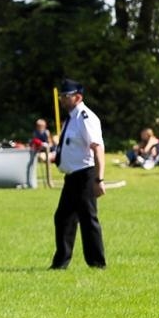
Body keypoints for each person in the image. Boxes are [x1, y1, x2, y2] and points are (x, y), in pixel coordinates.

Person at [51, 79, 106, 270]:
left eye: (66, 96)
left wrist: (99, 179)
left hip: (85, 175)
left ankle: (97, 263)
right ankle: (61, 262)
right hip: (72, 177)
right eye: (61, 96)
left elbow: (97, 149)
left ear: (78, 97)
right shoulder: (72, 118)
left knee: (88, 219)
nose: (62, 100)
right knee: (63, 218)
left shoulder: (85, 117)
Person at [26, 119, 52, 189]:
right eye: (39, 126)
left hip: (46, 150)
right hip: (37, 150)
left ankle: (49, 181)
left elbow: (49, 142)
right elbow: (34, 141)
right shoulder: (35, 133)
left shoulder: (46, 132)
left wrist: (47, 145)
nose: (40, 127)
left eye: (42, 126)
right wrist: (40, 144)